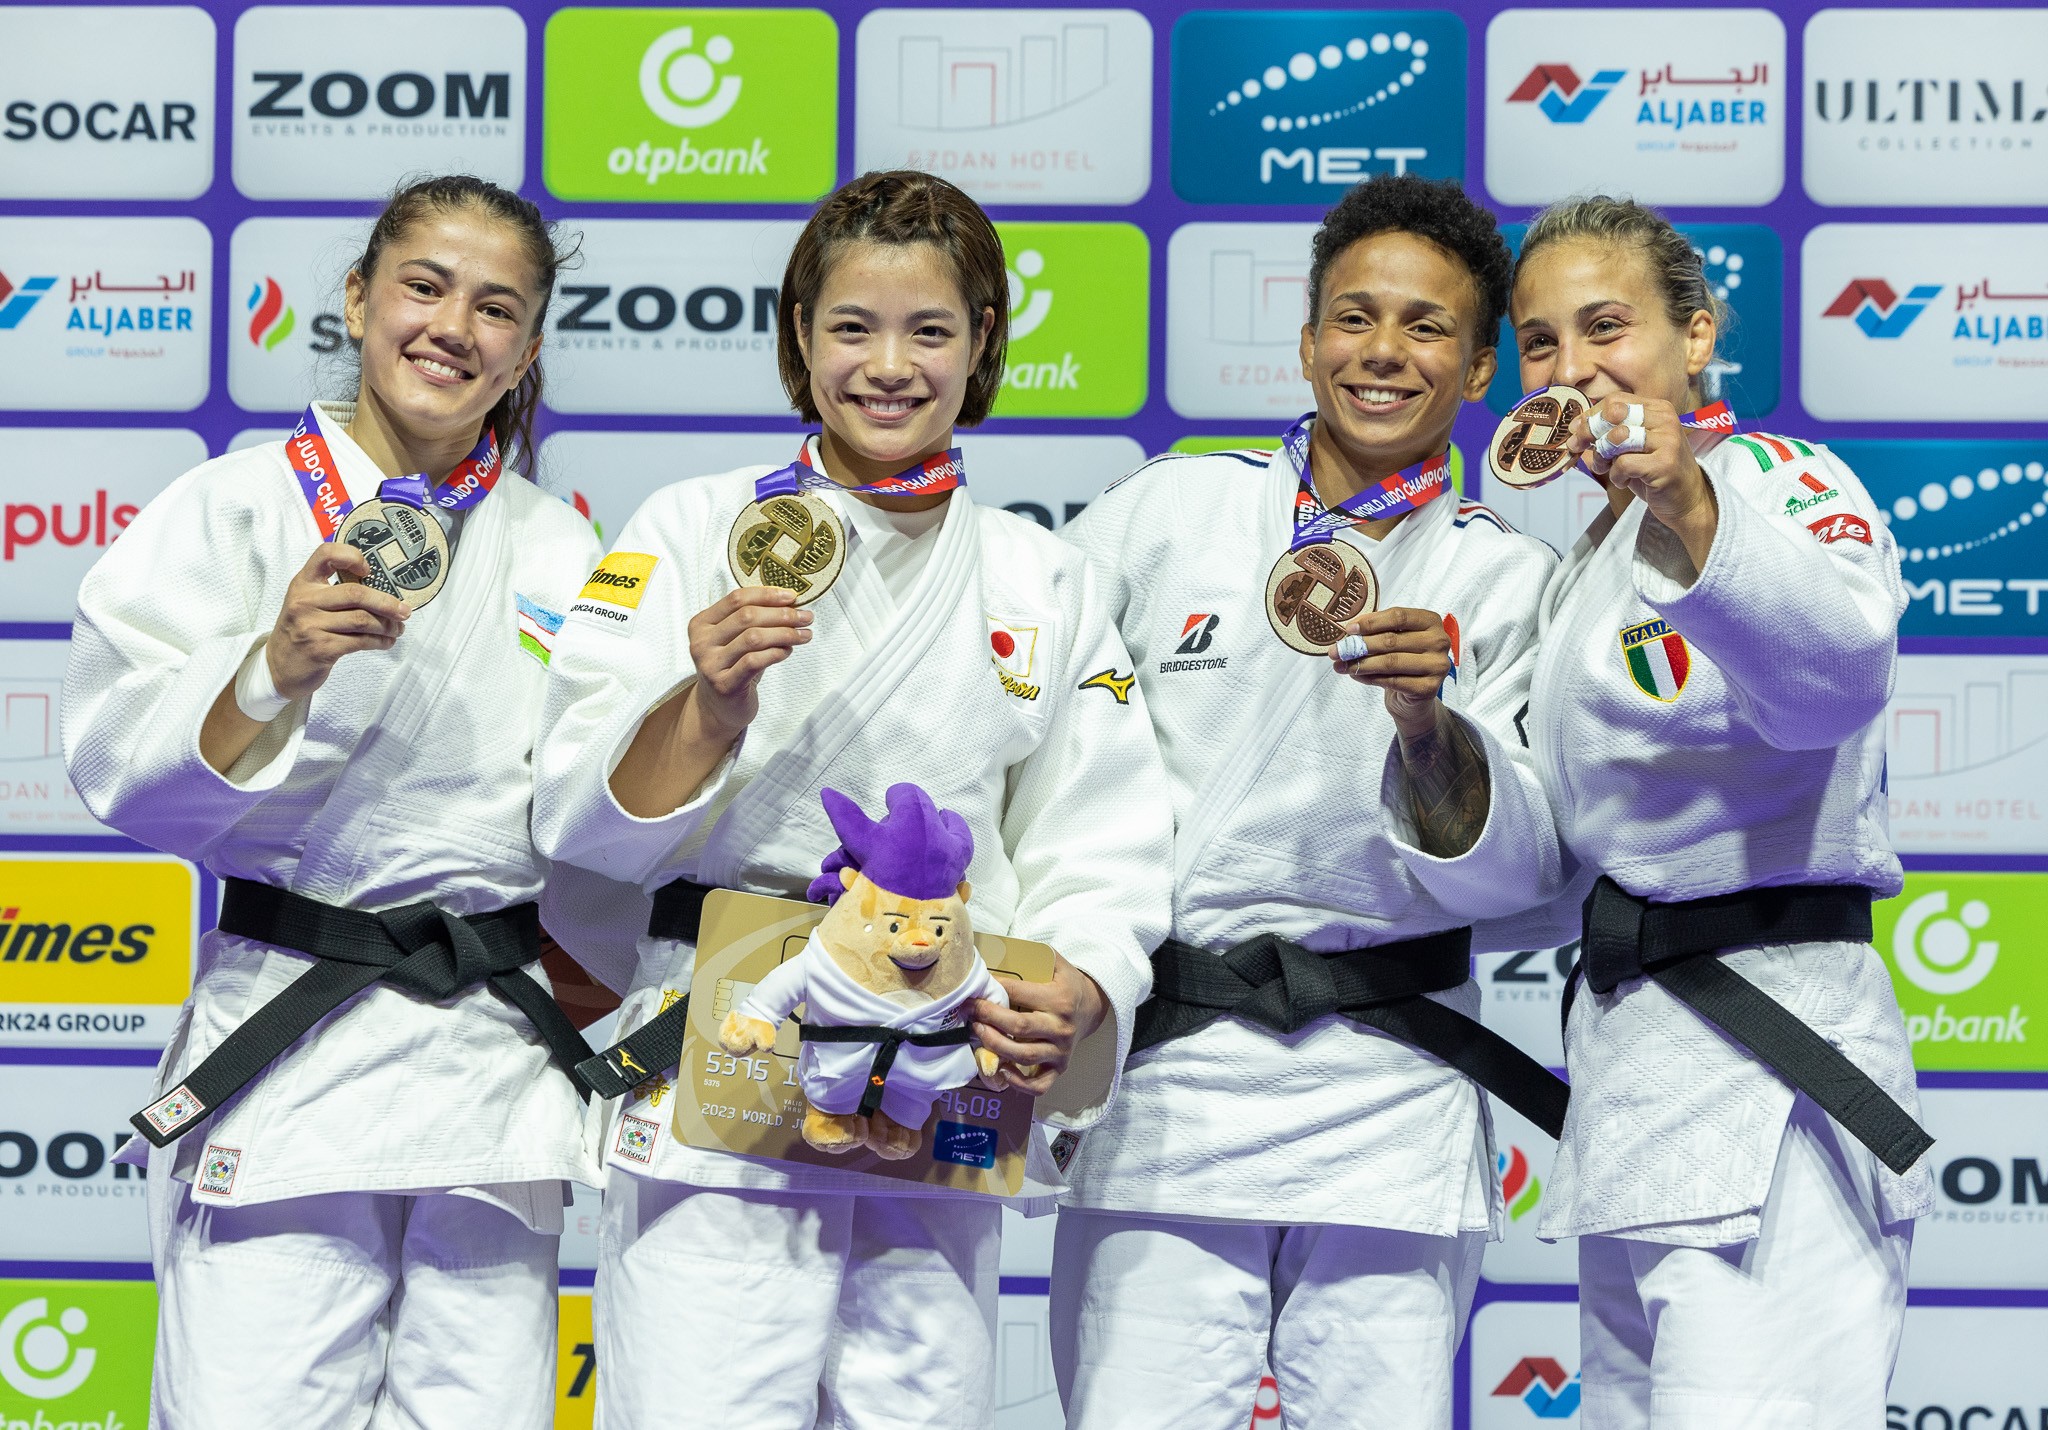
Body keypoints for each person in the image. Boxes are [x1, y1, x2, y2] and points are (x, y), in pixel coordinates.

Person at [530, 169, 1173, 1428]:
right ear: (797, 335)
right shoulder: (691, 526)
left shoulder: (1040, 575)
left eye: (928, 329)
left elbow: (1100, 831)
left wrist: (1083, 981)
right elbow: (572, 811)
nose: (888, 366)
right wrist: (706, 705)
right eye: (851, 327)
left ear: (982, 340)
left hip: (942, 1068)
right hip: (724, 1050)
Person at [61, 176, 614, 1426]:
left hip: (488, 1066)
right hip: (291, 1047)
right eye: (424, 287)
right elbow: (113, 757)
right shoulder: (232, 504)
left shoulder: (561, 548)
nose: (452, 327)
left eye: (495, 308)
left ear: (526, 350)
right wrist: (271, 667)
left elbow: (595, 814)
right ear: (360, 300)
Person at [1050, 173, 1570, 1429]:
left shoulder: (1511, 580)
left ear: (1478, 367)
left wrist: (1428, 727)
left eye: (1425, 326)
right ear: (1304, 340)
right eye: (1353, 316)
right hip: (1172, 1074)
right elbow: (1045, 750)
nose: (1381, 351)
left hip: (1390, 1083)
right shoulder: (1164, 511)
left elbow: (1525, 875)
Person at [1509, 194, 1933, 1428]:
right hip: (1632, 1077)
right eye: (1538, 342)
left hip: (1771, 1065)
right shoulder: (1584, 560)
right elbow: (1567, 842)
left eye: (1605, 326)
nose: (1571, 365)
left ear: (1693, 336)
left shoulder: (1778, 482)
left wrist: (1692, 508)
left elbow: (1833, 681)